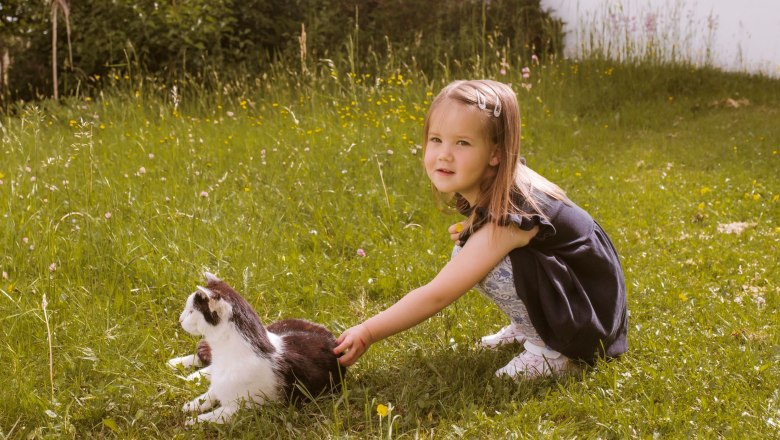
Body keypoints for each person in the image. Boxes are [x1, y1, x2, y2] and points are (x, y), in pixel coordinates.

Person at [334, 79, 627, 379]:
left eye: (462, 142)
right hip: (582, 292)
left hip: (588, 319)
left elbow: (437, 294)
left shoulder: (510, 217)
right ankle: (531, 324)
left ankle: (554, 350)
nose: (444, 154)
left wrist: (368, 331)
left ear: (495, 154)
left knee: (480, 259)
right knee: (468, 249)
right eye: (436, 139)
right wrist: (473, 228)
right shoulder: (498, 181)